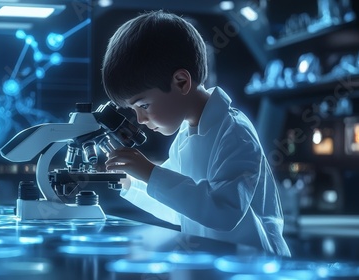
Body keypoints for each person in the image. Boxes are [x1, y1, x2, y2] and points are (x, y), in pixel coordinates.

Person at [101, 10, 291, 257]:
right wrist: (130, 184)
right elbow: (181, 207)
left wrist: (149, 172)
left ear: (181, 82)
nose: (140, 120)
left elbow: (223, 213)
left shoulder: (235, 132)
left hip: (254, 264)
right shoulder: (186, 135)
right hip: (215, 260)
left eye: (143, 105)